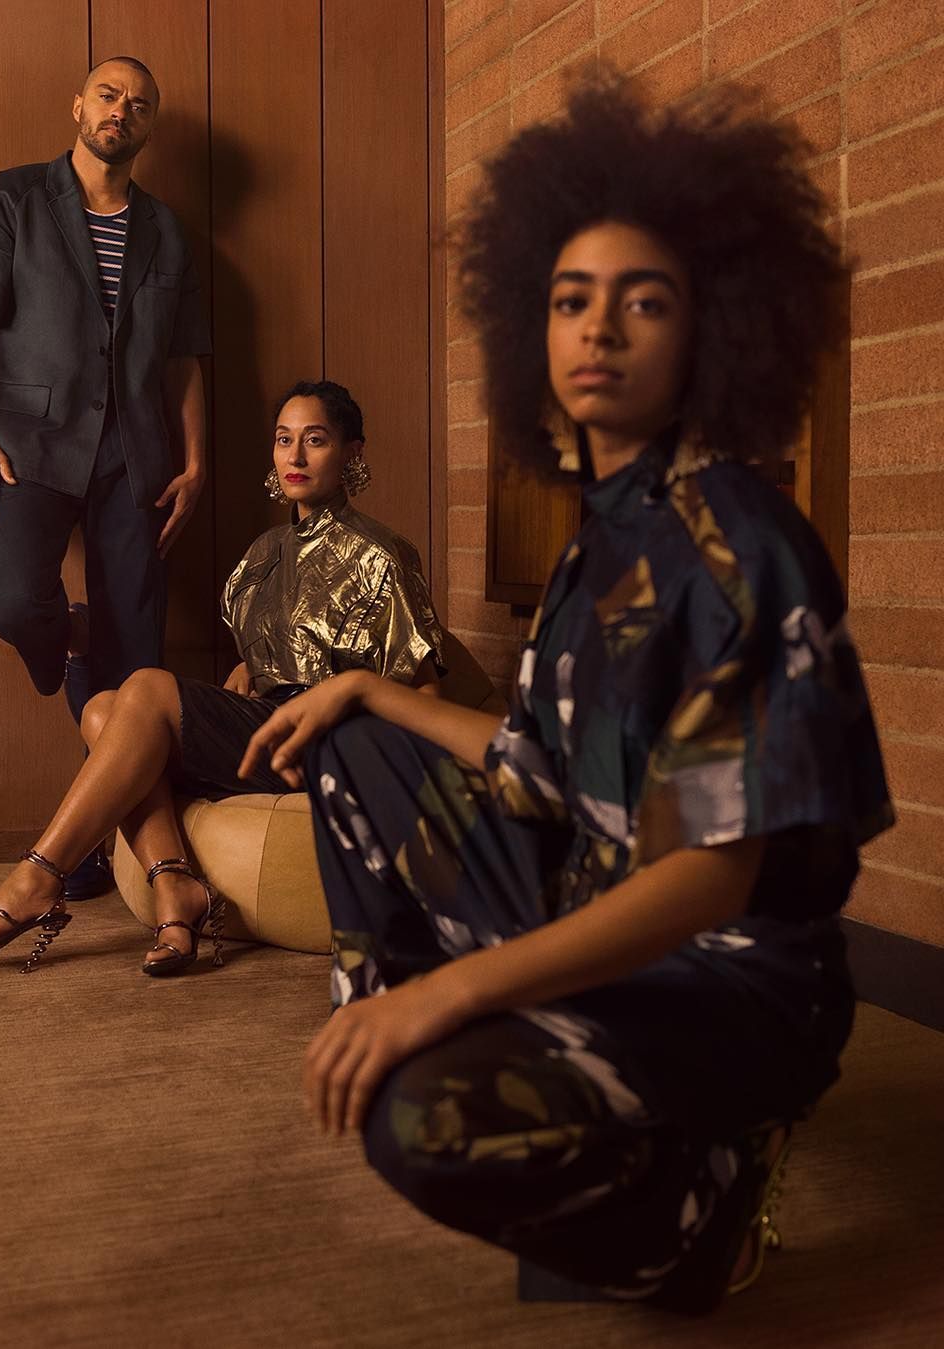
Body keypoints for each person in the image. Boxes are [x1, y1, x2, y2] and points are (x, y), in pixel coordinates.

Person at [238, 78, 894, 1313]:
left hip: (729, 977)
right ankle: (405, 1018)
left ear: (707, 334)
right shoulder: (602, 539)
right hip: (589, 894)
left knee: (421, 1118)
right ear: (533, 331)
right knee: (348, 743)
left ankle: (702, 1214)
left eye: (644, 301)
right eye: (571, 299)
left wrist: (458, 988)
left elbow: (714, 878)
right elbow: (531, 761)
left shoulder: (738, 542)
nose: (600, 327)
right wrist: (367, 687)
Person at [0, 381, 444, 977]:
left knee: (146, 688)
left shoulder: (383, 553)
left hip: (330, 742)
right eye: (284, 440)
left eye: (316, 440)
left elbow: (426, 690)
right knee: (101, 708)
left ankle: (38, 878)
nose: (296, 457)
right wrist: (248, 670)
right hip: (269, 728)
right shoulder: (262, 556)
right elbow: (277, 653)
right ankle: (175, 887)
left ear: (352, 453)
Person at [0, 57, 211, 898]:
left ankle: (103, 849)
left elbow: (186, 359)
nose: (122, 109)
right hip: (29, 444)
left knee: (134, 668)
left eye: (139, 104)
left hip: (137, 455)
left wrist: (197, 460)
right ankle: (70, 635)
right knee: (14, 598)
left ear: (149, 127)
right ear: (79, 106)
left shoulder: (166, 231)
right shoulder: (14, 198)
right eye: (108, 94)